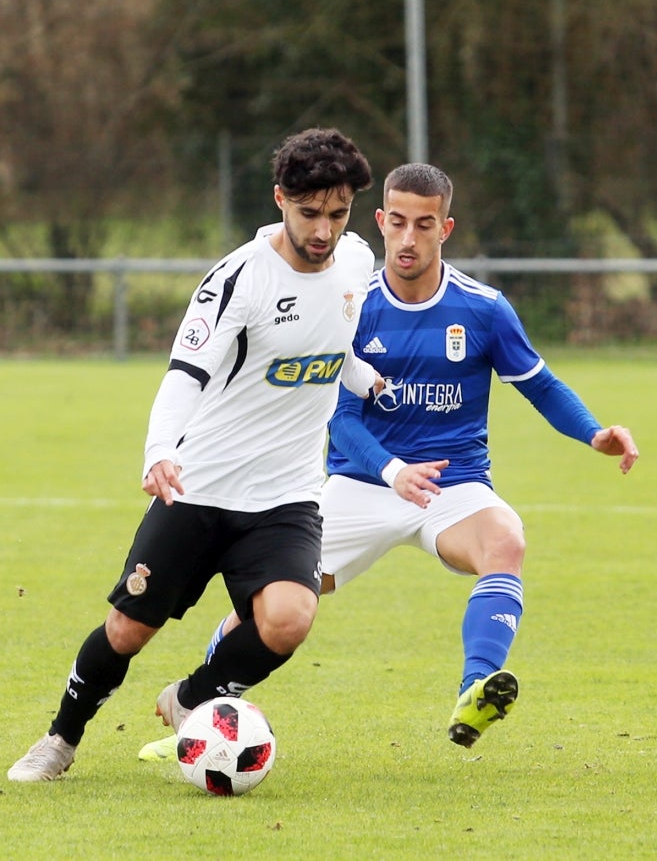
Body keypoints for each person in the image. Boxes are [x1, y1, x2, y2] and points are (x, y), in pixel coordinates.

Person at [137, 162, 639, 763]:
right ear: (378, 222)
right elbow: (338, 414)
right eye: (396, 222)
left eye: (423, 225)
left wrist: (592, 432)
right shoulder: (350, 301)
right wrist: (393, 470)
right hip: (358, 484)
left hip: (453, 486)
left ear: (445, 228)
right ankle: (193, 703)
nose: (407, 239)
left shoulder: (483, 309)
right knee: (272, 608)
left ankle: (473, 690)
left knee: (505, 541)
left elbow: (541, 384)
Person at [8, 127, 381, 782]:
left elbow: (330, 345)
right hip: (199, 488)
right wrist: (160, 451)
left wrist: (366, 381)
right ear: (279, 200)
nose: (323, 230)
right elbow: (186, 372)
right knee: (126, 632)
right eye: (308, 213)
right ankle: (60, 740)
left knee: (290, 619)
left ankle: (190, 698)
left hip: (287, 494)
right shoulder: (237, 279)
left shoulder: (355, 262)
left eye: (337, 213)